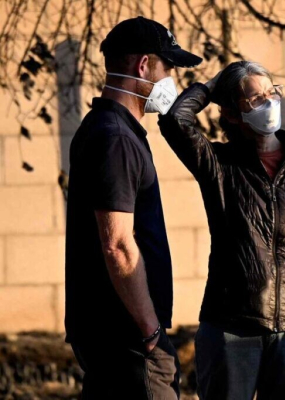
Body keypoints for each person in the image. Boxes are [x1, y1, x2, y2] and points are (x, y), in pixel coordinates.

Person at [157, 61, 285, 400]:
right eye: (255, 99)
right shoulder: (219, 165)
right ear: (233, 115)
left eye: (271, 93)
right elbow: (175, 121)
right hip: (231, 328)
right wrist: (213, 84)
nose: (268, 104)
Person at [65, 17, 202, 399]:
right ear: (143, 66)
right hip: (125, 338)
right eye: (167, 67)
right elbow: (119, 246)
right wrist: (150, 332)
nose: (171, 78)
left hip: (113, 334)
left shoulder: (107, 129)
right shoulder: (115, 139)